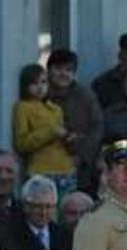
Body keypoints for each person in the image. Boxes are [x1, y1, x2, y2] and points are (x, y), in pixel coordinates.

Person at [46, 48, 103, 194]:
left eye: (69, 70)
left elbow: (97, 129)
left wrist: (82, 157)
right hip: (46, 165)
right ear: (49, 70)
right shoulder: (41, 95)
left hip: (80, 169)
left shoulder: (86, 96)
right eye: (58, 68)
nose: (63, 74)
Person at [12, 63, 75, 193]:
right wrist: (50, 132)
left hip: (65, 169)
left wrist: (69, 138)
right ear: (25, 85)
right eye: (34, 83)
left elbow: (61, 136)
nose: (40, 87)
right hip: (41, 170)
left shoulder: (55, 109)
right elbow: (21, 143)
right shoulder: (23, 107)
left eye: (44, 82)